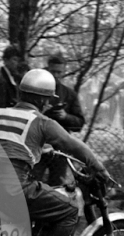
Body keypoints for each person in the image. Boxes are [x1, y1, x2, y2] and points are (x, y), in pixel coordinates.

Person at [0, 69, 112, 236]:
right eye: (48, 99)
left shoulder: (1, 114)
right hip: (14, 188)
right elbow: (72, 144)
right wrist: (99, 167)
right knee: (69, 209)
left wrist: (43, 148)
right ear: (41, 99)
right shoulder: (42, 122)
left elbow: (13, 143)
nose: (49, 104)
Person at [43, 53, 86, 185]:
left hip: (60, 147)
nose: (56, 75)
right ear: (47, 69)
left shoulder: (69, 94)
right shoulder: (36, 90)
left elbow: (79, 123)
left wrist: (66, 117)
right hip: (38, 144)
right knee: (33, 182)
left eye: (59, 72)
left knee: (57, 184)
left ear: (63, 72)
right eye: (53, 72)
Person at [0, 45, 24, 118]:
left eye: (18, 60)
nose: (16, 63)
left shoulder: (14, 79)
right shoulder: (0, 81)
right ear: (5, 60)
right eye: (14, 59)